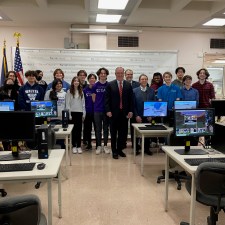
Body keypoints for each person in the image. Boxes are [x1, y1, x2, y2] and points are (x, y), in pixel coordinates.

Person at [105, 67, 133, 159]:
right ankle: (114, 151)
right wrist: (108, 110)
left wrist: (130, 111)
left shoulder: (128, 85)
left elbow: (130, 100)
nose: (120, 74)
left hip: (124, 114)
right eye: (118, 73)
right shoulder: (110, 85)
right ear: (115, 74)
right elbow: (106, 100)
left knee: (122, 133)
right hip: (113, 114)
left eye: (121, 73)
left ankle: (120, 149)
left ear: (124, 74)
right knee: (113, 133)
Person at [133, 74, 155, 155]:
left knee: (147, 134)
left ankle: (146, 149)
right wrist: (136, 116)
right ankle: (136, 149)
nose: (144, 80)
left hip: (148, 116)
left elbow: (153, 104)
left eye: (146, 79)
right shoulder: (134, 91)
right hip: (138, 116)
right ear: (139, 81)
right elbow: (133, 105)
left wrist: (151, 115)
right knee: (136, 134)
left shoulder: (151, 91)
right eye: (142, 79)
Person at [92, 67, 110, 155]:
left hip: (106, 111)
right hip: (97, 110)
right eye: (101, 73)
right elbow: (93, 99)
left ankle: (106, 145)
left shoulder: (109, 85)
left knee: (106, 129)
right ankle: (98, 145)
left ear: (106, 75)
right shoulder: (95, 85)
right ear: (99, 75)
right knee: (98, 129)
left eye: (104, 73)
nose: (103, 75)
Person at [66, 76, 86, 154]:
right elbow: (67, 104)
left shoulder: (81, 91)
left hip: (79, 113)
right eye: (75, 81)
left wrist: (84, 114)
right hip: (72, 113)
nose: (76, 82)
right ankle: (74, 146)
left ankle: (79, 146)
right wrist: (69, 114)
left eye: (77, 81)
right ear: (72, 82)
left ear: (79, 82)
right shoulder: (69, 91)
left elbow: (83, 104)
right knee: (73, 130)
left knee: (79, 130)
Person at [125, 69, 140, 149]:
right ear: (125, 75)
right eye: (128, 74)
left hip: (134, 109)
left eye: (131, 74)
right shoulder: (121, 83)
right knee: (123, 128)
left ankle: (135, 145)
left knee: (134, 128)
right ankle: (123, 143)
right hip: (124, 110)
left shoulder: (137, 84)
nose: (129, 76)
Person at [83, 73, 97, 150]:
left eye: (93, 78)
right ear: (88, 80)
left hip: (96, 112)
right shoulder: (85, 90)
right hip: (87, 112)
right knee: (87, 129)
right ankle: (89, 144)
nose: (92, 79)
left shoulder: (97, 89)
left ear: (95, 80)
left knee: (96, 128)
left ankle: (98, 144)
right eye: (90, 78)